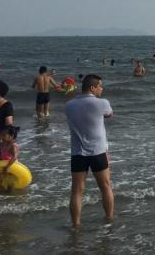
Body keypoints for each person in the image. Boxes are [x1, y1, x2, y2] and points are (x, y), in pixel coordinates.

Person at [65, 74, 114, 227]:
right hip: (98, 152)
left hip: (77, 153)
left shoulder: (69, 105)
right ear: (92, 87)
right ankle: (109, 219)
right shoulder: (102, 103)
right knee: (105, 187)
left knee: (77, 191)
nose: (102, 88)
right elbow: (109, 114)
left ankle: (76, 225)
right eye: (100, 86)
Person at [0, 126, 20, 192]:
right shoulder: (3, 143)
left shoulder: (13, 146)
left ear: (11, 136)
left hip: (11, 167)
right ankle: (2, 194)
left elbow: (14, 157)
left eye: (4, 135)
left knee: (10, 187)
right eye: (2, 134)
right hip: (3, 166)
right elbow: (1, 151)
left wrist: (7, 167)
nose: (2, 136)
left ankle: (9, 199)